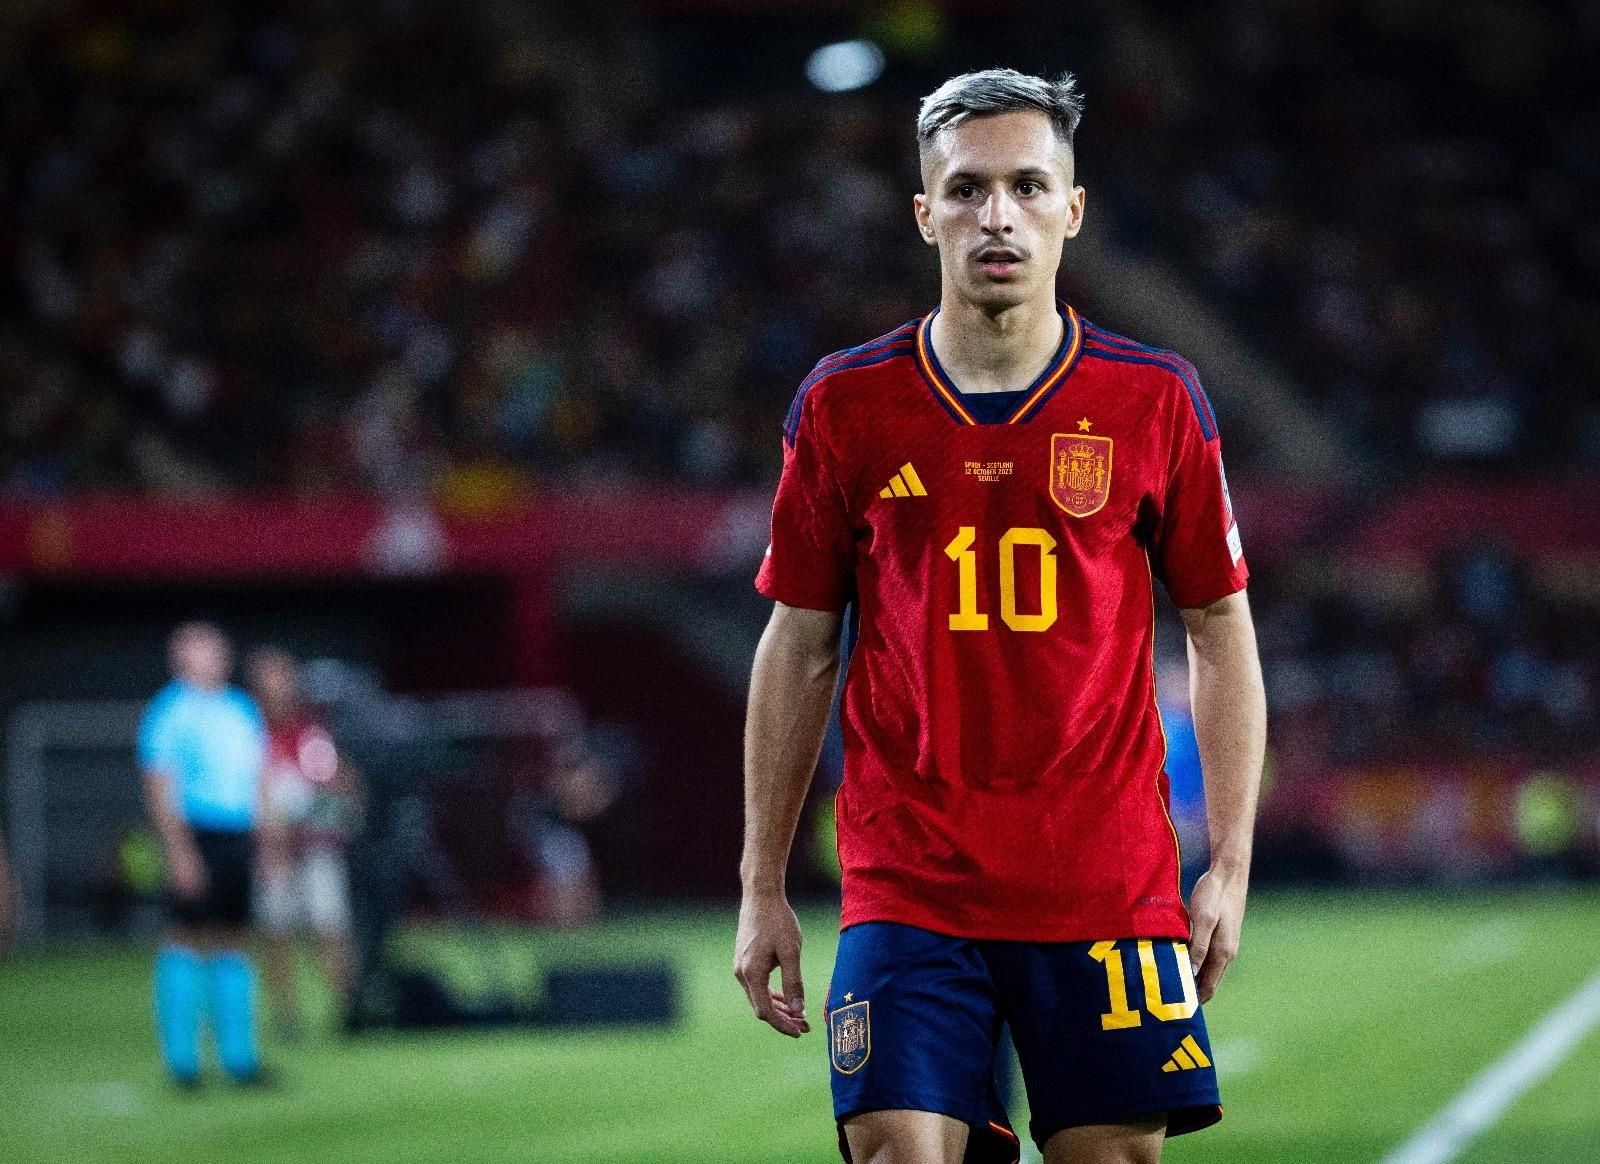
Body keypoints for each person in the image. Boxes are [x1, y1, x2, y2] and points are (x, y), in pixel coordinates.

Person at [735, 68, 1266, 1164]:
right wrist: (761, 884)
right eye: (968, 190)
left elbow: (1219, 628)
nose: (998, 215)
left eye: (1028, 186)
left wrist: (1230, 863)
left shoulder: (1153, 398)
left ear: (1072, 211)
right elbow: (798, 644)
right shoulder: (844, 406)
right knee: (894, 1146)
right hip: (908, 877)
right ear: (924, 213)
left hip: (1106, 879)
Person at [139, 622, 269, 1087]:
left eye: (215, 649)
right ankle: (183, 1062)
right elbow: (159, 786)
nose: (210, 658)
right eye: (198, 651)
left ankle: (240, 1057)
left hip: (237, 834)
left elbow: (258, 780)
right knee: (187, 938)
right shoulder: (169, 712)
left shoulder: (241, 709)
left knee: (235, 938)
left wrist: (264, 837)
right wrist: (179, 850)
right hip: (196, 832)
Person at [248, 647, 358, 1038]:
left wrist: (315, 810)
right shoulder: (248, 734)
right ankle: (286, 1016)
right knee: (277, 932)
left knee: (331, 927)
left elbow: (340, 790)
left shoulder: (310, 732)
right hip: (273, 853)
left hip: (316, 848)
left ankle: (350, 1009)